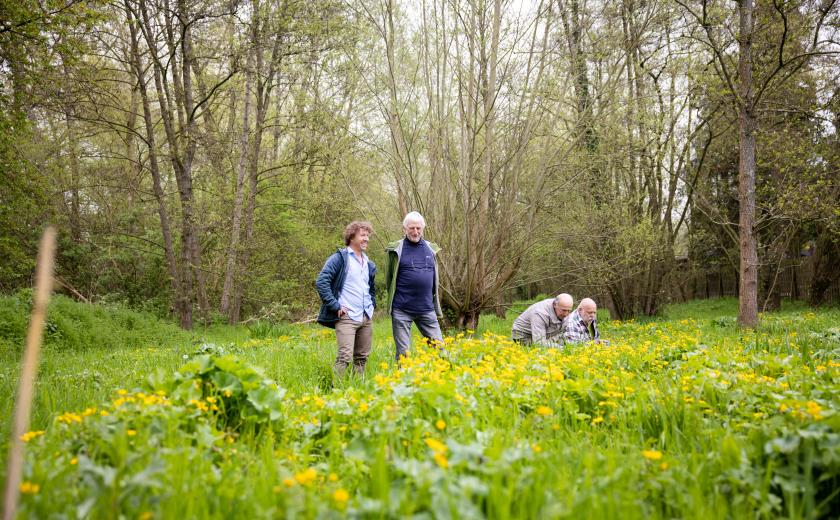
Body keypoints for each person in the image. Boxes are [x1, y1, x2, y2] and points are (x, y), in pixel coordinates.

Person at [316, 221, 377, 376]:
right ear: (351, 237)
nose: (366, 239)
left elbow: (370, 288)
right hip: (347, 316)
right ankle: (337, 392)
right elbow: (322, 282)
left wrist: (372, 305)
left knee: (362, 358)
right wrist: (335, 306)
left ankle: (357, 388)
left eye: (368, 236)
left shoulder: (368, 263)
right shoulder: (340, 259)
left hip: (366, 316)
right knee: (344, 357)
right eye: (363, 235)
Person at [385, 211, 444, 361]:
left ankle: (442, 380)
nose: (415, 232)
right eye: (411, 228)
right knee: (404, 355)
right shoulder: (395, 250)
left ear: (423, 228)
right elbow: (389, 279)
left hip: (426, 309)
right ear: (404, 229)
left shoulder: (431, 249)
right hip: (401, 310)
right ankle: (403, 382)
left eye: (418, 228)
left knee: (440, 351)